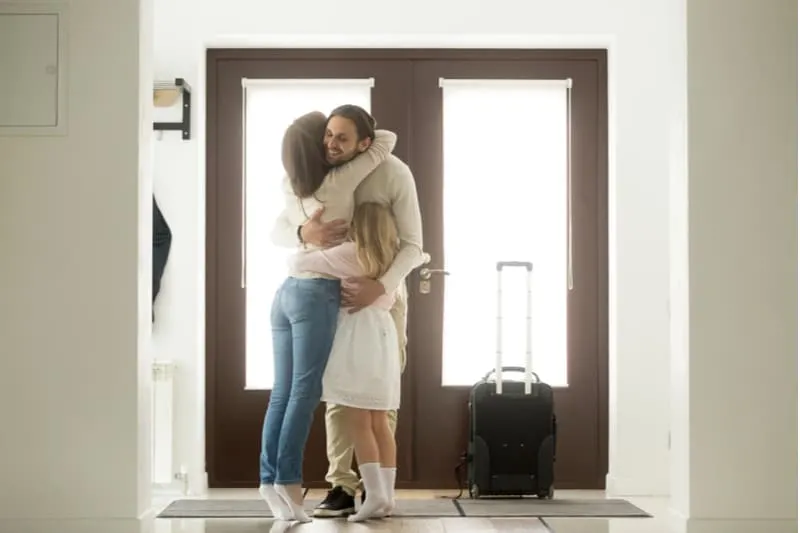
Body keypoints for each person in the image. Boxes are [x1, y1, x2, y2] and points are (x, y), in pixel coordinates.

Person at [271, 105, 424, 517]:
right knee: (338, 392)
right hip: (329, 294)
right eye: (328, 136)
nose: (331, 145)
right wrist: (305, 231)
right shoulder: (322, 172)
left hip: (382, 296)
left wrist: (382, 286)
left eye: (341, 138)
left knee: (377, 394)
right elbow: (278, 228)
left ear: (365, 142)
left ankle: (380, 491)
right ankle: (341, 484)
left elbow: (414, 246)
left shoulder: (394, 173)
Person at [288, 202, 423, 521]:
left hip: (357, 338)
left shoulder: (351, 253)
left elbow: (297, 262)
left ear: (355, 227)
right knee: (379, 420)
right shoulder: (392, 259)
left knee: (357, 419)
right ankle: (384, 496)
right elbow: (417, 254)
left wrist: (312, 238)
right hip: (384, 337)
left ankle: (373, 496)